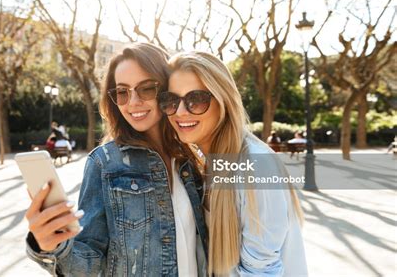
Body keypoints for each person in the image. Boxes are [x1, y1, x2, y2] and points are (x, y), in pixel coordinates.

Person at [24, 43, 208, 276]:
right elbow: (90, 263)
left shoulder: (191, 158)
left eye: (146, 89)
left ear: (166, 89)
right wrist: (50, 246)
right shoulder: (105, 163)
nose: (132, 102)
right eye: (122, 92)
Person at [158, 51, 307, 276]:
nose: (180, 112)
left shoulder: (255, 166)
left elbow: (260, 272)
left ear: (223, 101)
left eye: (196, 100)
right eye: (171, 100)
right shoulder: (207, 164)